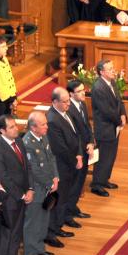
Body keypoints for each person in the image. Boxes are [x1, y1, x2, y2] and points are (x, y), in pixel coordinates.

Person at [0, 114, 33, 255]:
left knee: (16, 233)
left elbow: (27, 168)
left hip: (22, 195)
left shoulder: (19, 141)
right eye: (11, 127)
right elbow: (4, 178)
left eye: (15, 125)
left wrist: (30, 188)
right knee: (6, 237)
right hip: (9, 200)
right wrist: (21, 195)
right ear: (2, 130)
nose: (16, 128)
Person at [22, 111, 59, 255]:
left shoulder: (43, 137)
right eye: (43, 124)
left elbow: (51, 158)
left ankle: (39, 247)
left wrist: (56, 177)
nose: (46, 127)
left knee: (43, 219)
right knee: (32, 223)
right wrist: (49, 183)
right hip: (37, 189)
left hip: (47, 186)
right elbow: (34, 170)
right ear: (33, 127)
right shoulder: (27, 143)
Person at [47, 87, 83, 238]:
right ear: (55, 102)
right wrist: (74, 160)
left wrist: (80, 154)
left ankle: (62, 222)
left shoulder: (66, 113)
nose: (68, 104)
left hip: (73, 162)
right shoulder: (52, 120)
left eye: (69, 100)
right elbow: (60, 148)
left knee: (66, 196)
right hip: (62, 165)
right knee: (59, 199)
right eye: (65, 101)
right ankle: (54, 229)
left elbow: (77, 135)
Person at [90, 59, 126, 196]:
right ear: (101, 72)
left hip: (113, 126)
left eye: (113, 68)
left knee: (111, 155)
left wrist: (123, 114)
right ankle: (96, 185)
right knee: (103, 157)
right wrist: (119, 121)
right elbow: (106, 110)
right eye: (110, 69)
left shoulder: (112, 82)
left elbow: (119, 100)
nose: (113, 71)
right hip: (105, 127)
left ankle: (104, 179)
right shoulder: (98, 88)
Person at [66, 79, 95, 217]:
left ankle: (73, 207)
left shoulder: (82, 104)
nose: (84, 93)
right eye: (79, 91)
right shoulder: (69, 109)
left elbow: (87, 126)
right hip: (77, 152)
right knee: (74, 183)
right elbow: (75, 134)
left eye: (84, 89)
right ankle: (68, 211)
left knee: (80, 182)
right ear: (71, 94)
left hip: (86, 148)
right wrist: (84, 146)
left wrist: (91, 142)